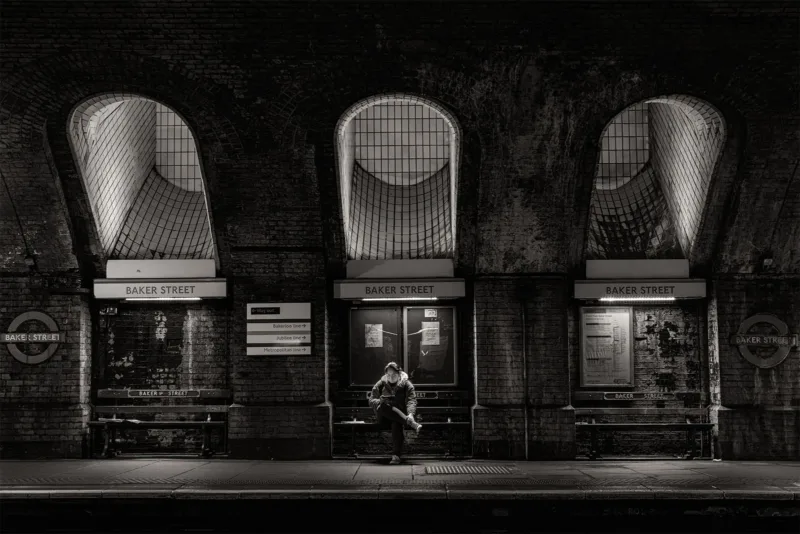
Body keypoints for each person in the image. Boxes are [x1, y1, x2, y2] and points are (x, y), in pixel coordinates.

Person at [369, 362, 422, 464]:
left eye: (394, 375)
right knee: (384, 406)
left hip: (398, 418)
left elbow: (411, 401)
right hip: (383, 417)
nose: (391, 377)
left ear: (399, 374)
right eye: (388, 375)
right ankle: (411, 423)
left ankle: (396, 456)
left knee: (396, 423)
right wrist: (380, 401)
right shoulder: (380, 384)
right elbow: (371, 401)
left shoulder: (407, 385)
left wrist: (410, 413)